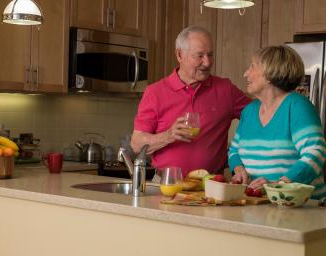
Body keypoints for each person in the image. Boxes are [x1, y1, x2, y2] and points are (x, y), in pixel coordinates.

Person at [131, 25, 251, 177]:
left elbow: (261, 116)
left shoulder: (226, 89)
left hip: (212, 186)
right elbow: (136, 144)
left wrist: (238, 158)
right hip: (166, 185)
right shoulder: (155, 92)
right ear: (180, 55)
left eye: (210, 55)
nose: (207, 63)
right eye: (200, 55)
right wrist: (168, 135)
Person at [228, 45, 326, 199]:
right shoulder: (249, 111)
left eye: (252, 66)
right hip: (261, 204)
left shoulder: (296, 106)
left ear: (269, 74)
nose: (246, 73)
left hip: (302, 207)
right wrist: (238, 168)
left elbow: (315, 153)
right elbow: (234, 151)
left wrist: (280, 184)